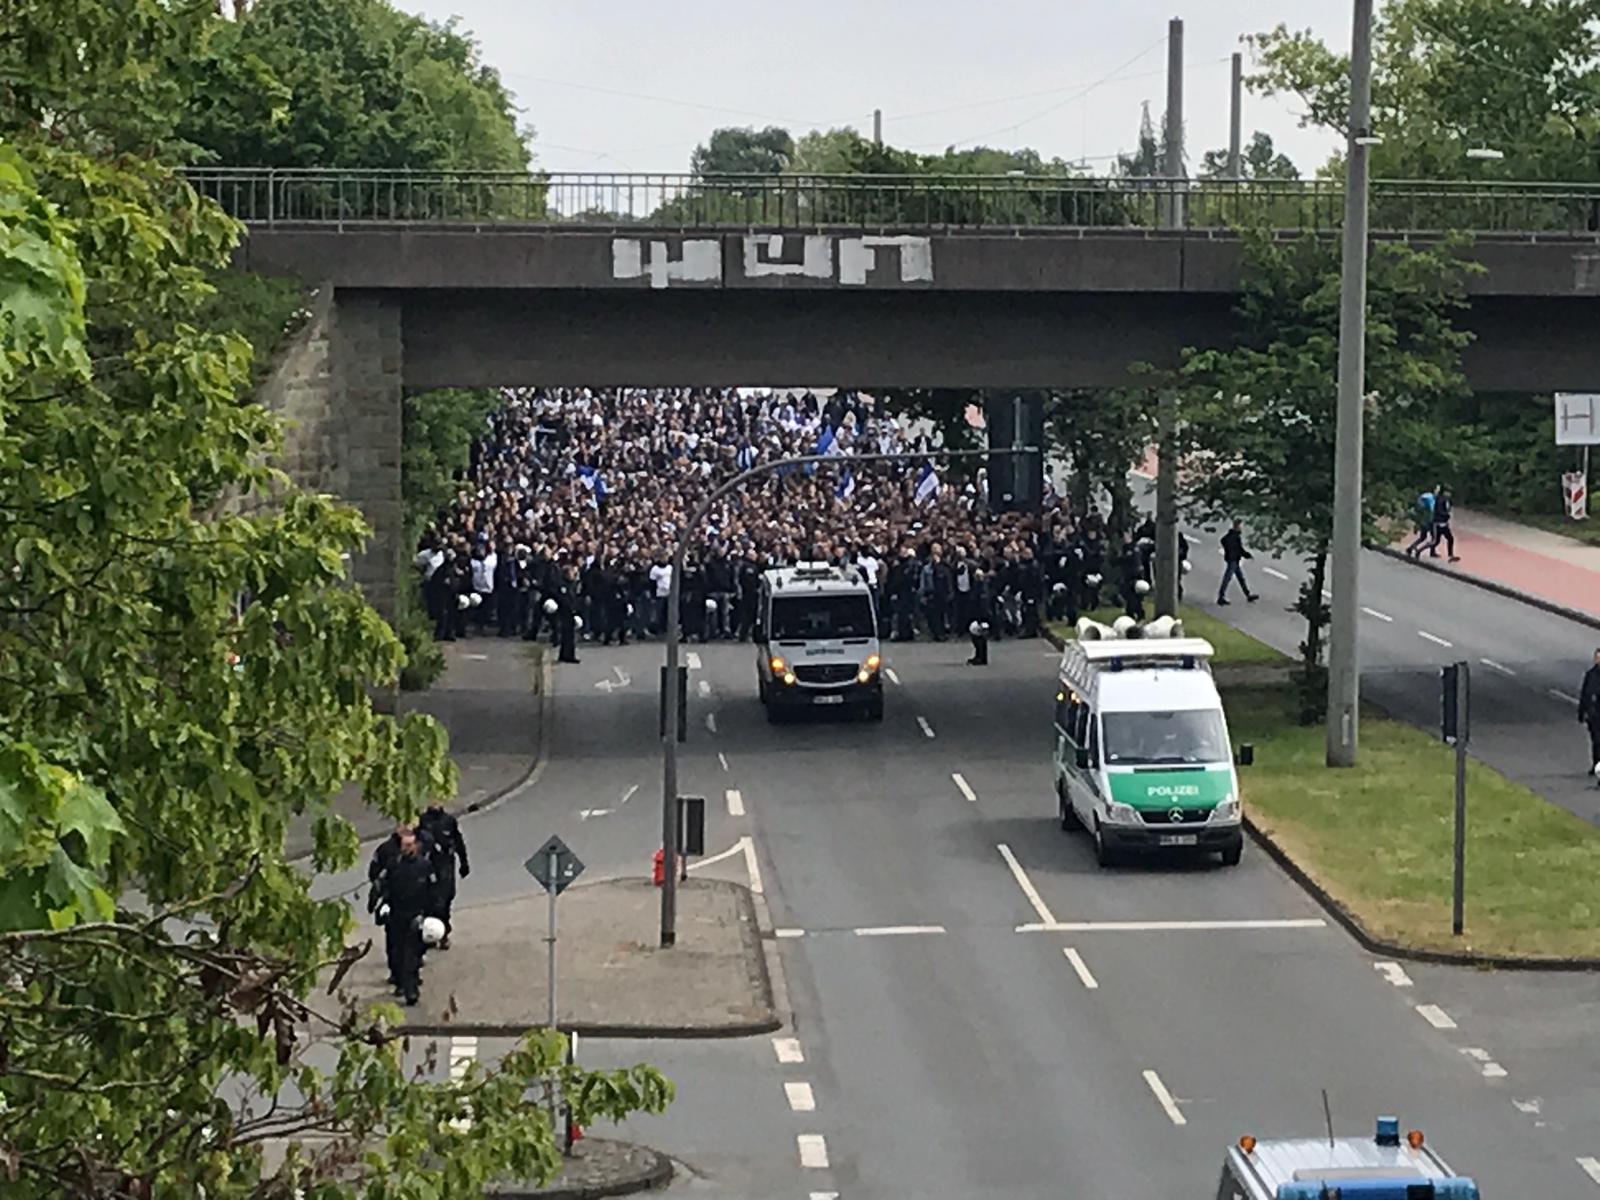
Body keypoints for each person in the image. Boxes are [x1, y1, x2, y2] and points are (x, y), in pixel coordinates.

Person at [382, 828, 437, 1006]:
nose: (408, 848)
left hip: (416, 915)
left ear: (416, 845)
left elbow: (432, 892)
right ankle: (400, 983)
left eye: (411, 845)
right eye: (405, 845)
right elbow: (384, 888)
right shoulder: (393, 865)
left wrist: (430, 914)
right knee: (397, 952)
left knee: (412, 954)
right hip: (397, 914)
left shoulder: (424, 866)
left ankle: (411, 988)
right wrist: (382, 906)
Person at [418, 800, 471, 948]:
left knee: (445, 899)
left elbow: (458, 841)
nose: (435, 802)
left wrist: (464, 862)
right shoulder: (422, 821)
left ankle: (444, 933)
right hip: (428, 865)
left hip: (446, 865)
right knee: (429, 901)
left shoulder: (448, 820)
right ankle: (431, 934)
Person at [1217, 519, 1259, 606]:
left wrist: (1245, 555)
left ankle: (1248, 595)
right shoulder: (1234, 537)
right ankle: (1221, 597)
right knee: (1227, 578)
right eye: (1240, 526)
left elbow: (1237, 548)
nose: (1241, 528)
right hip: (1233, 560)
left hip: (1234, 560)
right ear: (1237, 527)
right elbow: (1239, 549)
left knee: (1241, 578)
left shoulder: (1233, 536)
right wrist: (1236, 553)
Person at [1580, 648, 1600, 787]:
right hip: (1594, 714)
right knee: (1596, 741)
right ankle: (1596, 763)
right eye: (1597, 657)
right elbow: (1585, 694)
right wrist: (1582, 712)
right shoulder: (1591, 675)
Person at [1404, 484, 1438, 558]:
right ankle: (1421, 551)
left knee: (1423, 537)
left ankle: (1410, 548)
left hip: (1423, 519)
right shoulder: (1431, 499)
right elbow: (1432, 511)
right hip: (1428, 521)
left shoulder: (1426, 496)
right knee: (1434, 538)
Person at [1431, 485, 1459, 562]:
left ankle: (1450, 555)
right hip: (1438, 522)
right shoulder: (1440, 500)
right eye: (1448, 492)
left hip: (1444, 523)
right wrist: (1446, 514)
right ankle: (1421, 550)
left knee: (1449, 538)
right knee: (1436, 541)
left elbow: (1448, 508)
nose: (1449, 494)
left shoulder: (1447, 500)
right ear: (1444, 492)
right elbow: (1439, 511)